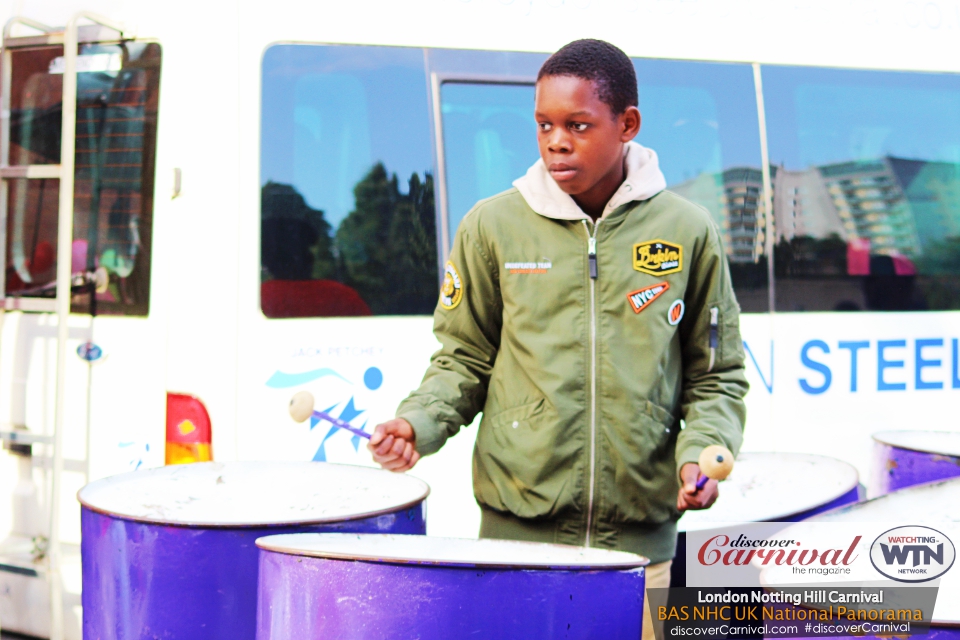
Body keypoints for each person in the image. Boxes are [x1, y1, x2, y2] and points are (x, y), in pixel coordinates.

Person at [368, 38, 747, 639]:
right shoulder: (493, 226)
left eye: (577, 124)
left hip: (644, 555)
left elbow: (715, 376)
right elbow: (463, 359)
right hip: (516, 550)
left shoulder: (688, 230)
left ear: (628, 124)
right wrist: (419, 422)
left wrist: (699, 453)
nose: (556, 142)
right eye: (544, 125)